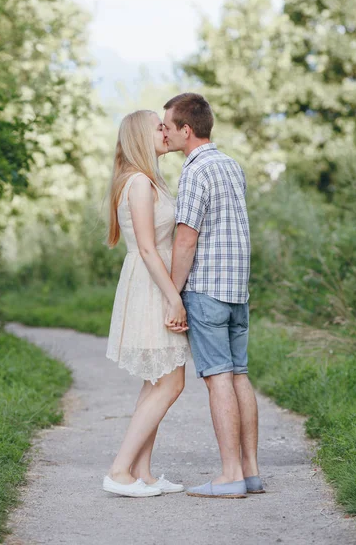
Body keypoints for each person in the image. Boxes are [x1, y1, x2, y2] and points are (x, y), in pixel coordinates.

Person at [163, 93, 264, 498]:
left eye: (167, 127)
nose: (164, 134)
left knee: (218, 378)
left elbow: (186, 240)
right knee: (239, 374)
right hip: (238, 290)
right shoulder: (230, 165)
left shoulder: (195, 171)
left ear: (186, 130)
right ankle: (250, 472)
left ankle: (228, 476)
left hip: (206, 289)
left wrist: (172, 293)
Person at [103, 110, 190, 498]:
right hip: (153, 287)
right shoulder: (139, 183)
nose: (165, 132)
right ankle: (119, 471)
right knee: (171, 380)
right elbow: (149, 250)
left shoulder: (147, 180)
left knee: (157, 379)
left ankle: (143, 471)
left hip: (156, 284)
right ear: (141, 136)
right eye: (159, 126)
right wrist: (174, 299)